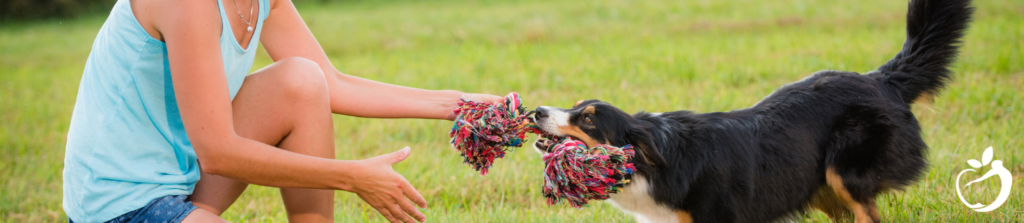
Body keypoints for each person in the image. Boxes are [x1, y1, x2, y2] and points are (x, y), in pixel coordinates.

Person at [62, 0, 503, 222]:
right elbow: (219, 152)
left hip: (180, 176)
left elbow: (333, 84)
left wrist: (459, 104)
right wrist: (353, 176)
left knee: (301, 80)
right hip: (120, 206)